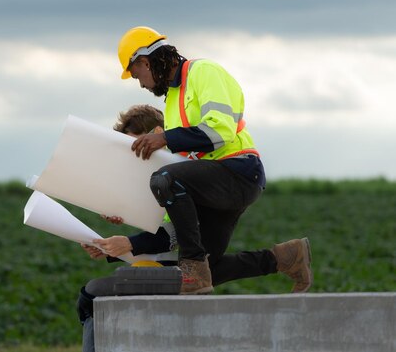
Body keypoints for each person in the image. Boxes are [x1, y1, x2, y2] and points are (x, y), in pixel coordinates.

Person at [111, 26, 313, 295]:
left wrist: (166, 139)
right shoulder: (172, 100)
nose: (142, 85)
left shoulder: (204, 73)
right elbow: (179, 180)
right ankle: (285, 258)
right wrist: (123, 209)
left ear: (145, 62)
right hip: (212, 187)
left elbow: (219, 132)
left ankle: (194, 266)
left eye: (138, 76)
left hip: (239, 170)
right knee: (210, 269)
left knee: (166, 182)